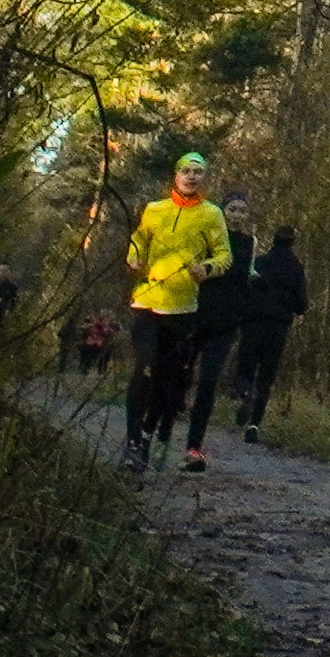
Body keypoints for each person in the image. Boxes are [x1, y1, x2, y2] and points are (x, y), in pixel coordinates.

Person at [120, 155, 233, 470]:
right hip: (147, 300)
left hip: (183, 309)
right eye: (186, 171)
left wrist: (206, 268)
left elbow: (225, 255)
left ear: (204, 178)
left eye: (198, 172)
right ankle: (132, 444)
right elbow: (139, 239)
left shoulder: (211, 215)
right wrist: (134, 257)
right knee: (144, 368)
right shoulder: (155, 209)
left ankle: (145, 436)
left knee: (165, 378)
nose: (191, 176)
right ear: (176, 174)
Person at [179, 192, 255, 466]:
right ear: (222, 211)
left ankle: (193, 448)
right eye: (232, 209)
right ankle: (160, 429)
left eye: (242, 211)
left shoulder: (250, 244)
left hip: (227, 322)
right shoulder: (207, 238)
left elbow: (249, 279)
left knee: (208, 382)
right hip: (195, 314)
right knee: (178, 373)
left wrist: (245, 312)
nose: (237, 215)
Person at [230, 224, 310, 439]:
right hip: (278, 326)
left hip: (253, 322)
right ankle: (254, 426)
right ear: (292, 242)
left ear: (274, 240)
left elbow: (245, 288)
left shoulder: (260, 262)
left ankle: (246, 393)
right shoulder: (296, 268)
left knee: (245, 367)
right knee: (266, 375)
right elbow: (302, 305)